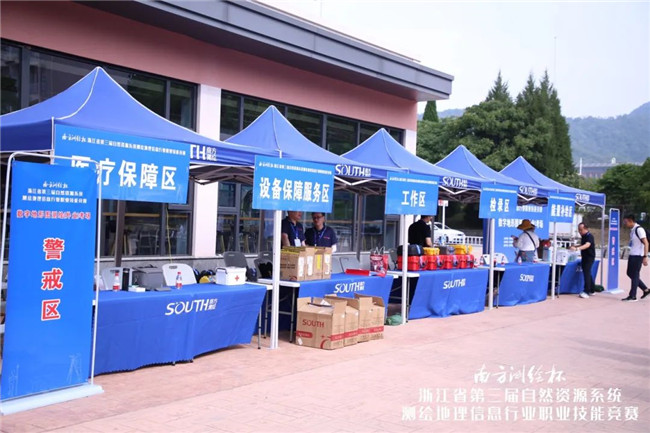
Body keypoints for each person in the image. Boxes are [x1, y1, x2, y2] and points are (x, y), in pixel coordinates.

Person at [621, 214, 649, 302]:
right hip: (633, 254)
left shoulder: (639, 229)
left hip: (638, 256)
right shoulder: (632, 230)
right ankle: (645, 289)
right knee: (630, 273)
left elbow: (646, 243)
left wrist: (645, 256)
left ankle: (633, 296)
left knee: (635, 275)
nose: (625, 224)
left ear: (630, 220)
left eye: (626, 222)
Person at [570, 222, 595, 299]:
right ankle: (592, 289)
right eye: (579, 230)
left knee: (586, 273)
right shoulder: (584, 236)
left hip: (589, 257)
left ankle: (586, 291)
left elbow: (587, 245)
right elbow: (583, 244)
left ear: (586, 229)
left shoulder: (589, 236)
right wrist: (575, 246)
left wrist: (577, 249)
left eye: (581, 230)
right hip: (584, 257)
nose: (580, 232)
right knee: (588, 273)